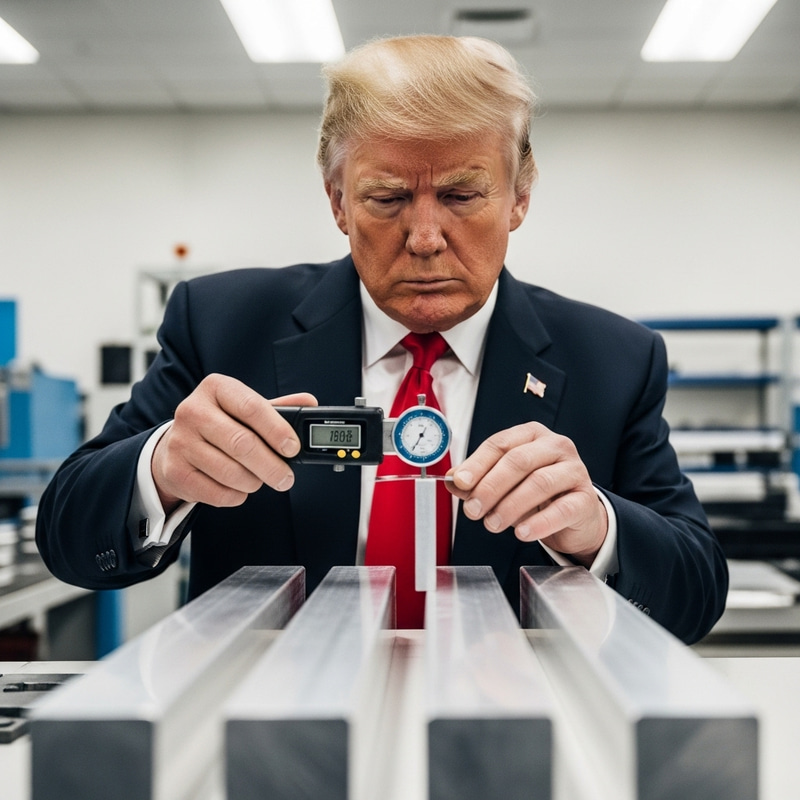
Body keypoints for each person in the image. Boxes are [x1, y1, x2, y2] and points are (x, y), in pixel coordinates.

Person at [35, 34, 727, 644]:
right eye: (387, 198)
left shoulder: (613, 360)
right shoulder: (222, 326)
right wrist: (160, 470)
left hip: (510, 731)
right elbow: (67, 537)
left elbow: (695, 596)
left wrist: (597, 530)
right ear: (338, 200)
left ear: (519, 196)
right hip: (280, 735)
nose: (425, 238)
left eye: (461, 196)